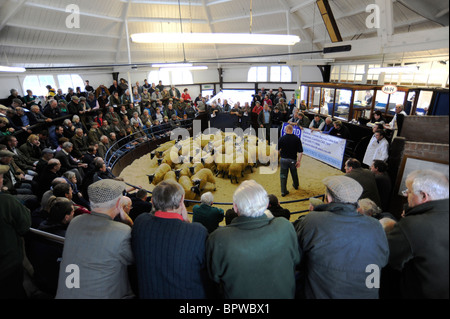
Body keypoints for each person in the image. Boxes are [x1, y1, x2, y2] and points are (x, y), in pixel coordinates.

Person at [295, 175, 389, 299]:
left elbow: (295, 257)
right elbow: (383, 259)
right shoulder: (376, 225)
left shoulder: (312, 220)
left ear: (329, 197)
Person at [206, 180, 300, 299]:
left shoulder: (218, 238)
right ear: (266, 205)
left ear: (235, 207)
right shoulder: (285, 226)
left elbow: (213, 276)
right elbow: (296, 259)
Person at [55, 179, 135, 299]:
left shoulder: (75, 222)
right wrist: (129, 223)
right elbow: (134, 260)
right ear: (119, 204)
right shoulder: (122, 231)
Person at [131, 180, 211, 299]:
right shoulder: (198, 232)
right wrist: (186, 221)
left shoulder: (140, 222)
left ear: (152, 201)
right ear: (181, 201)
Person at [387, 170, 449, 299]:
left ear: (423, 196)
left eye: (408, 191)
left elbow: (386, 258)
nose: (406, 196)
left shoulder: (413, 225)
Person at [0, 164, 31, 299]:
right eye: (1, 177)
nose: (2, 179)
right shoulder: (6, 202)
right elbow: (24, 227)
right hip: (7, 267)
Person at [278, 124, 303, 197]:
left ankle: (283, 191)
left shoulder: (281, 138)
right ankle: (296, 185)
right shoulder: (297, 139)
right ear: (292, 130)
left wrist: (281, 155)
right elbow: (300, 152)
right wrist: (299, 161)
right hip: (293, 160)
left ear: (286, 130)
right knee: (294, 173)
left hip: (283, 159)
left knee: (283, 175)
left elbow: (277, 150)